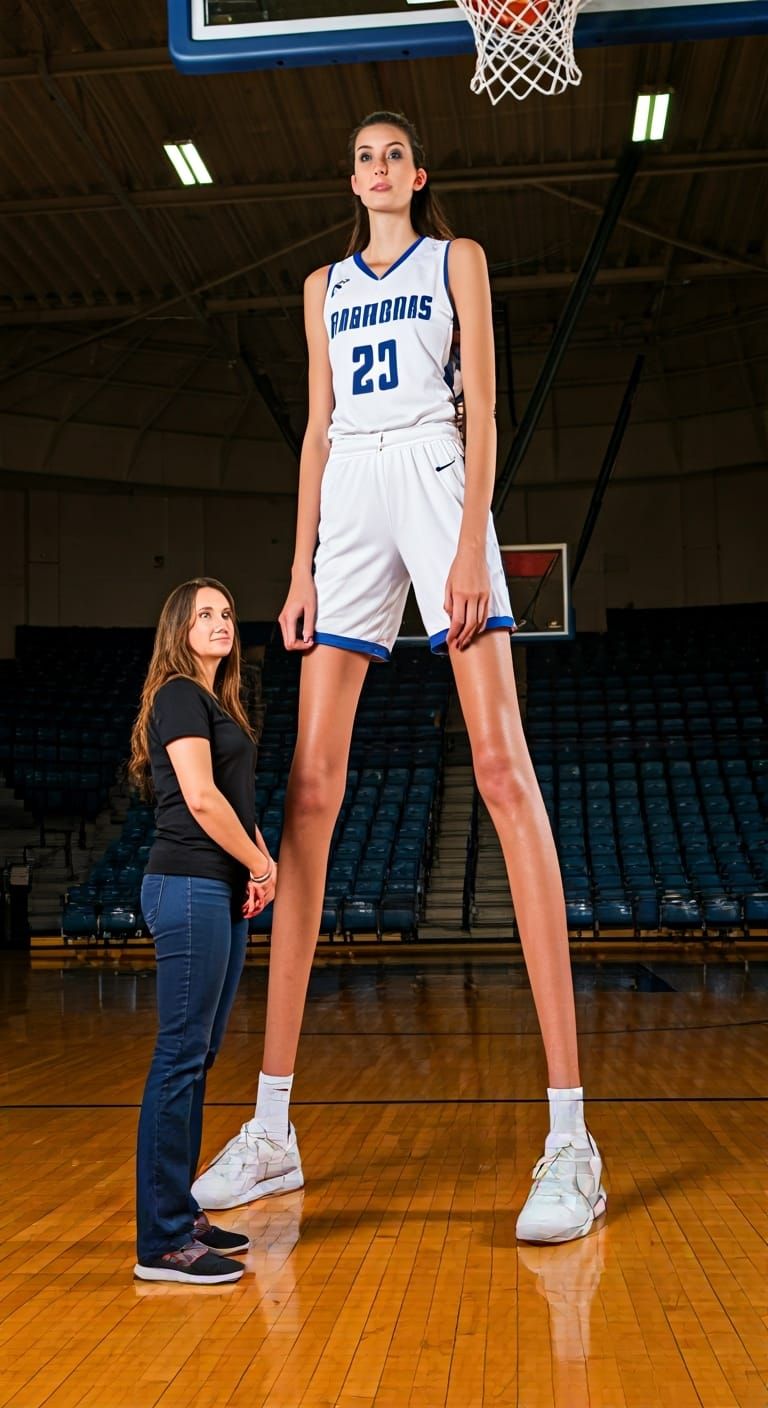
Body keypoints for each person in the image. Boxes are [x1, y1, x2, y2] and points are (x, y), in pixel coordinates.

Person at [192, 113, 605, 1244]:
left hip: (432, 473)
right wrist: (299, 566)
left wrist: (471, 538)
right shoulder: (322, 282)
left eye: (393, 153)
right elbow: (318, 428)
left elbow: (484, 407)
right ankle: (272, 1129)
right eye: (363, 154)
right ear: (354, 179)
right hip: (350, 508)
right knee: (309, 795)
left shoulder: (453, 260)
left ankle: (572, 1136)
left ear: (418, 177)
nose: (377, 165)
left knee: (501, 768)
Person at [128, 577, 278, 1284]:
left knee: (200, 1055)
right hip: (186, 884)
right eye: (204, 614)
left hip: (215, 888)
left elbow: (234, 800)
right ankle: (160, 1243)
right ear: (179, 630)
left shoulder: (217, 703)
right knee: (180, 1057)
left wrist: (256, 864)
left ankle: (181, 1214)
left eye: (226, 612)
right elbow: (198, 798)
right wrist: (257, 863)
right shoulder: (180, 695)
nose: (220, 622)